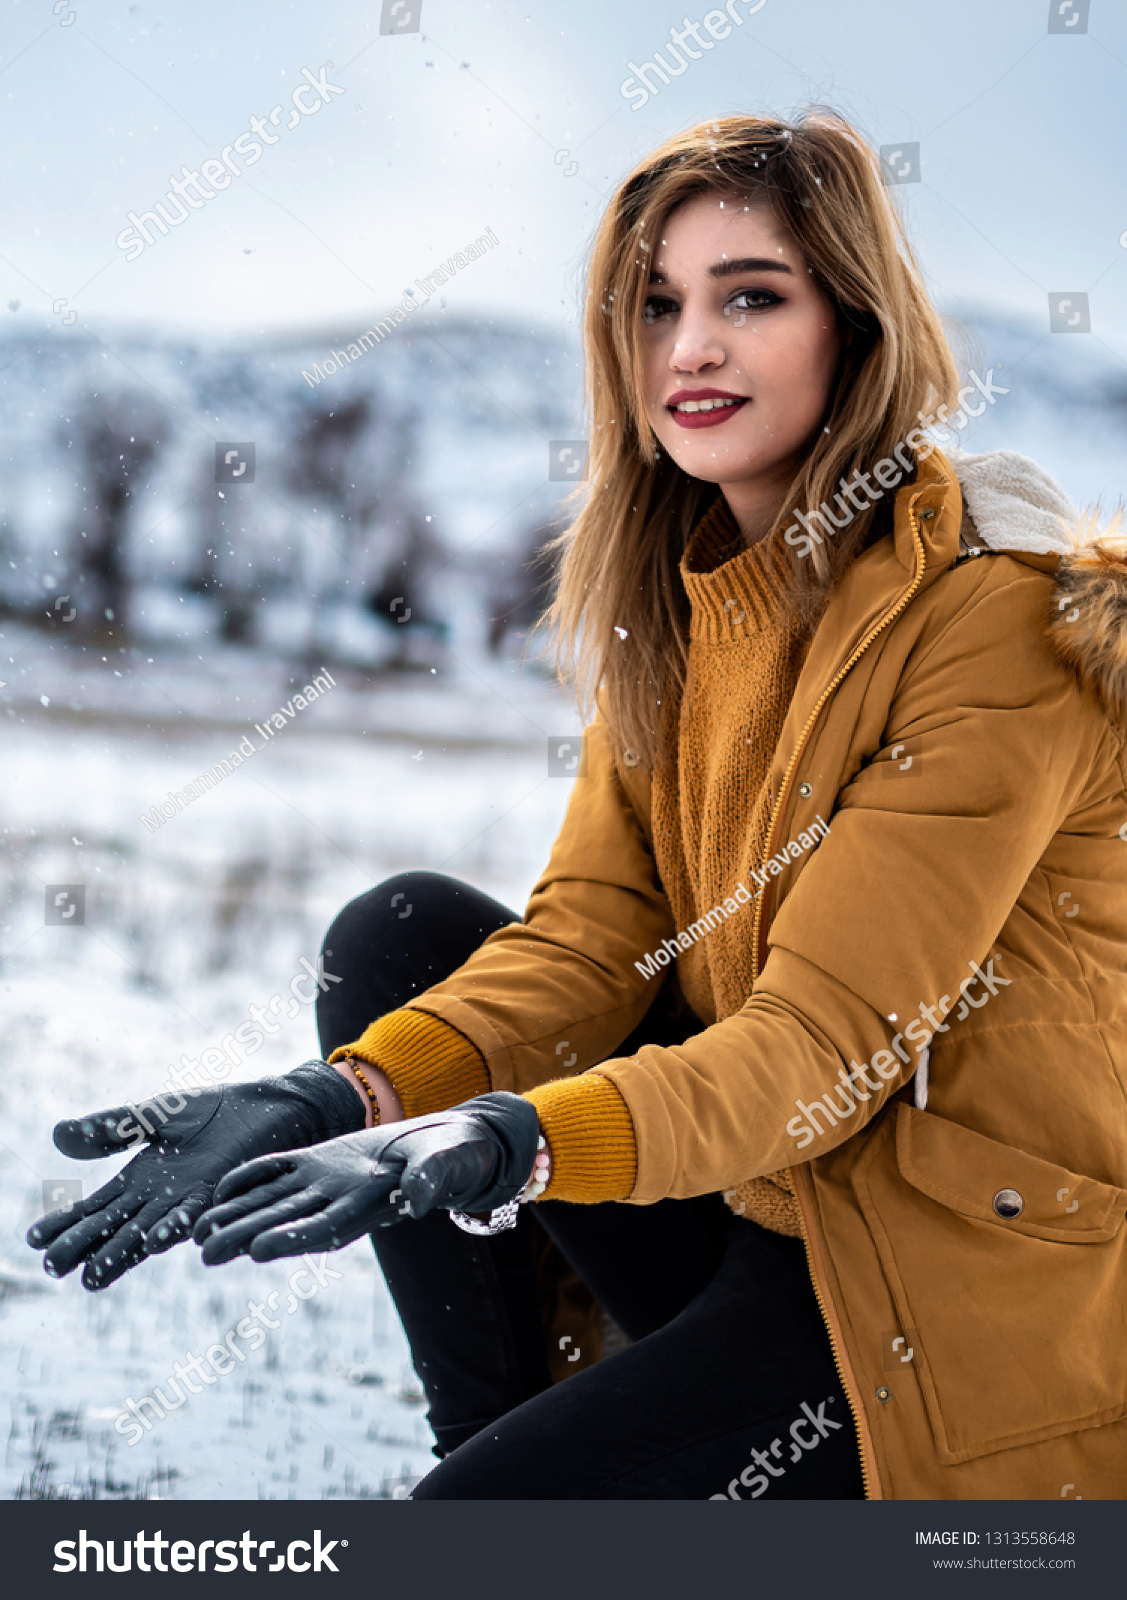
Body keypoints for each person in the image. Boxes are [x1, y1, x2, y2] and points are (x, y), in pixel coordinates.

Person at [29, 112, 1127, 1501]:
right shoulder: (687, 605)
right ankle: (500, 1452)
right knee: (406, 937)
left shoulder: (993, 625)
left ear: (857, 326)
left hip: (934, 1289)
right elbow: (591, 945)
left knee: (471, 1530)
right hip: (756, 1207)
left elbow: (816, 1051)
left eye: (752, 297)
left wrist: (509, 1136)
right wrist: (340, 1092)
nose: (692, 350)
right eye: (655, 304)